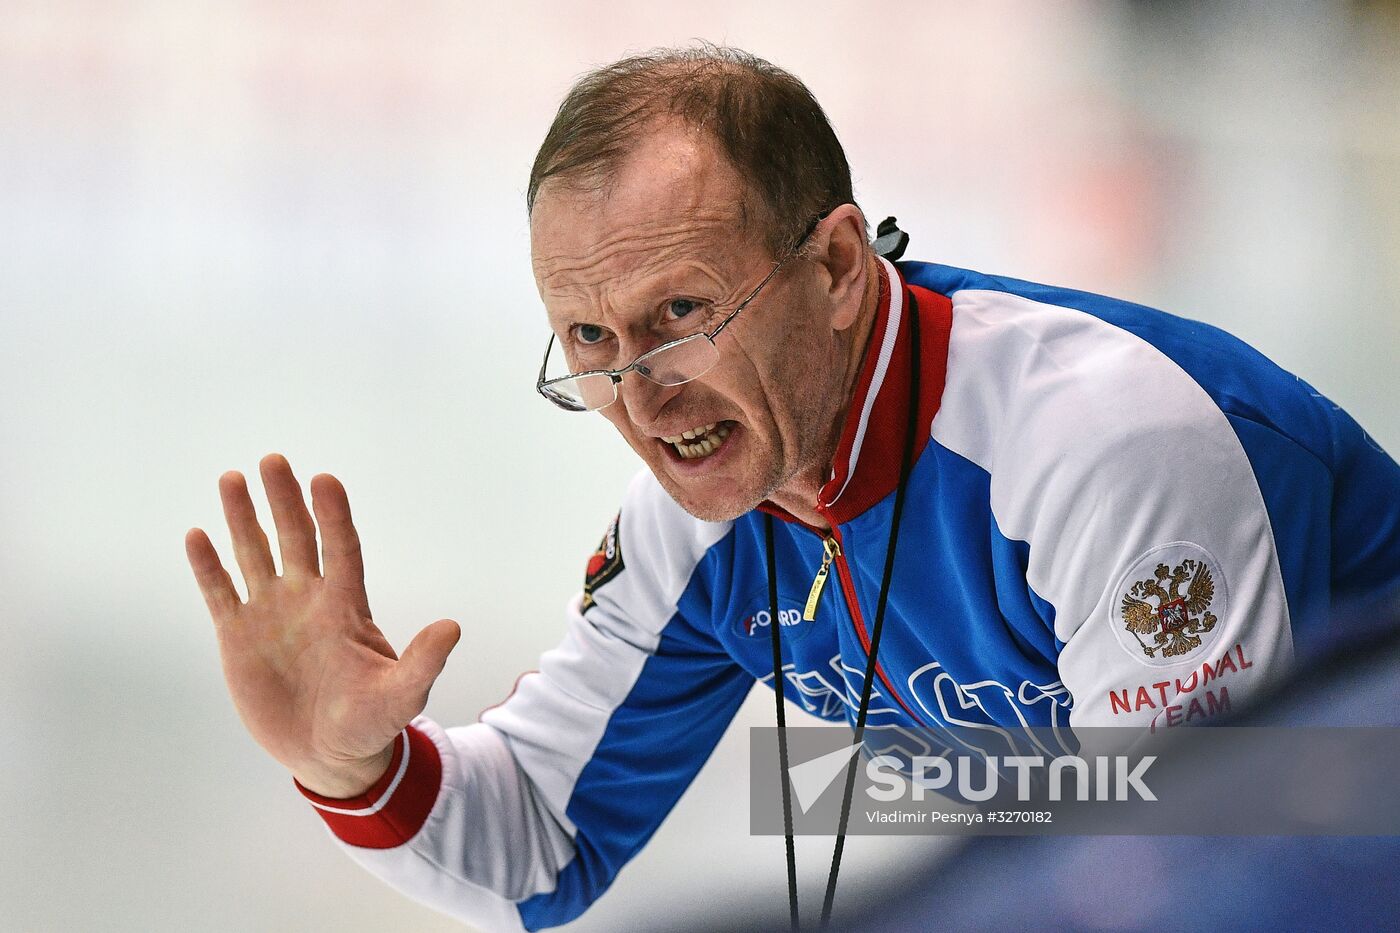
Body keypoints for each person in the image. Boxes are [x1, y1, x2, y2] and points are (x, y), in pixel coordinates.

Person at [185, 46, 1400, 932]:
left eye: (679, 314)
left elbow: (1192, 880)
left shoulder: (1106, 449)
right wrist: (354, 766)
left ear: (832, 266)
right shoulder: (704, 520)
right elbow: (539, 844)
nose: (642, 399)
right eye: (591, 342)